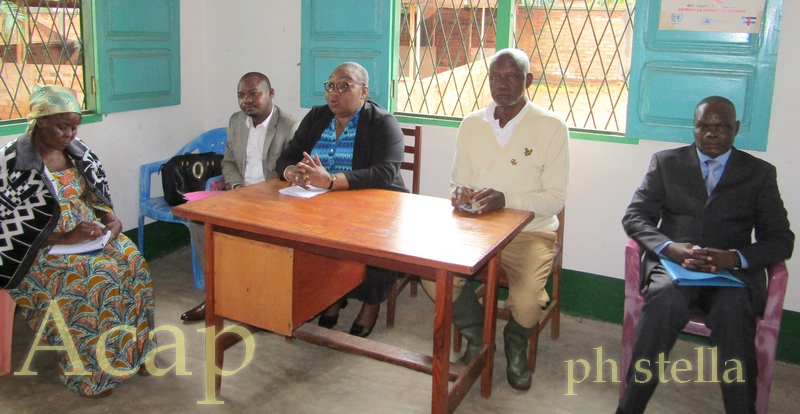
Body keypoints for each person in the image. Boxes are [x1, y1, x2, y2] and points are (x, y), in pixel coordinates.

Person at [617, 96, 794, 414]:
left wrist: (734, 257)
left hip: (731, 276)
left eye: (721, 127)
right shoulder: (666, 162)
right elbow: (635, 218)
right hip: (674, 269)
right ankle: (630, 408)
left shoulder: (759, 174)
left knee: (734, 315)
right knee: (663, 303)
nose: (712, 133)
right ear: (694, 128)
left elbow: (781, 240)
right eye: (703, 126)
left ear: (736, 129)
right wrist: (669, 247)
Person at [421, 48, 570, 391]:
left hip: (530, 233)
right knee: (433, 275)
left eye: (512, 76)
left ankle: (515, 346)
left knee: (528, 302)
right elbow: (457, 182)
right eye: (496, 77)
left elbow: (555, 198)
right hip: (475, 229)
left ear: (528, 80)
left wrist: (507, 200)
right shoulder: (472, 123)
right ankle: (477, 338)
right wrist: (458, 194)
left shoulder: (551, 127)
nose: (503, 84)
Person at [0, 84, 156, 397]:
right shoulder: (14, 162)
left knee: (131, 261)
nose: (71, 133)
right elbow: (7, 226)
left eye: (75, 126)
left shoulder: (78, 152)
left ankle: (133, 351)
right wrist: (63, 237)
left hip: (88, 233)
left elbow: (94, 195)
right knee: (91, 280)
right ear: (40, 122)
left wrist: (110, 219)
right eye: (63, 126)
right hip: (38, 248)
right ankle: (92, 373)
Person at [275, 62, 407, 338]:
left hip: (376, 206)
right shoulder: (317, 117)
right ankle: (331, 295)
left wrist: (333, 181)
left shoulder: (383, 123)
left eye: (344, 86)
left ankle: (372, 304)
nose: (334, 93)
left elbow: (384, 173)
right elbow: (286, 158)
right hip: (321, 204)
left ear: (364, 92)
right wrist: (293, 173)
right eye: (330, 86)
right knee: (300, 234)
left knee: (377, 239)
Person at [181, 72, 299, 321]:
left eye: (254, 93)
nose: (247, 100)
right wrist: (236, 188)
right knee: (198, 222)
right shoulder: (236, 121)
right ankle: (216, 295)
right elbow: (229, 161)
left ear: (270, 94)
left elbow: (291, 172)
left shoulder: (289, 126)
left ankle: (262, 303)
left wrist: (262, 195)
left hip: (273, 201)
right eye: (241, 95)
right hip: (239, 194)